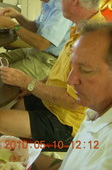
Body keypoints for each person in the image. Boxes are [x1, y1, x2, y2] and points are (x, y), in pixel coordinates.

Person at [0, 0, 106, 144]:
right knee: (16, 102)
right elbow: (61, 72)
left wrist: (29, 82)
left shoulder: (93, 42)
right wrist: (37, 83)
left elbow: (74, 101)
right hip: (51, 103)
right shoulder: (80, 27)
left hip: (65, 120)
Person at [33, 22, 112, 170]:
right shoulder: (95, 109)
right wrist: (25, 156)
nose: (71, 80)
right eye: (72, 66)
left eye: (85, 70)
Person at [0, 0, 73, 80]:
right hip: (36, 52)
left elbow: (42, 44)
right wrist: (17, 15)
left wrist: (12, 25)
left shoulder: (61, 7)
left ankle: (14, 97)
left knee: (1, 77)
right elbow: (36, 28)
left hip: (49, 61)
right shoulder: (48, 1)